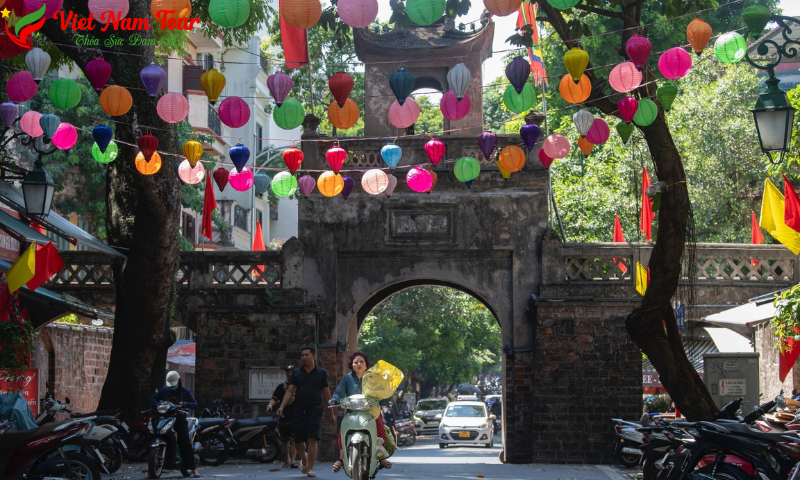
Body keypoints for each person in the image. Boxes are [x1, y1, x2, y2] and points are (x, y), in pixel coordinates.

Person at [329, 351, 392, 473]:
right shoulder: (347, 378)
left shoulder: (373, 377)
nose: (358, 364)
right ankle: (341, 458)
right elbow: (339, 392)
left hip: (371, 412)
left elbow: (382, 391)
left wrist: (384, 402)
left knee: (379, 425)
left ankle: (381, 456)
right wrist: (334, 400)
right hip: (352, 412)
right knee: (342, 431)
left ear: (366, 364)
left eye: (361, 362)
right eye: (355, 362)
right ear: (351, 365)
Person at [276, 346, 331, 478]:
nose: (304, 357)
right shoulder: (297, 373)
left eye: (307, 355)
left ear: (314, 356)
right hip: (299, 409)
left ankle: (310, 468)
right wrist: (282, 406)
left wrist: (331, 412)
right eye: (302, 355)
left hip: (315, 409)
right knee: (298, 440)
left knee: (312, 438)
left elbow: (326, 392)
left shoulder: (321, 373)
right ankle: (304, 457)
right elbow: (290, 391)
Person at [149, 371, 200, 478]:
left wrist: (183, 404)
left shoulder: (184, 391)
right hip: (165, 419)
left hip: (179, 420)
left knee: (184, 442)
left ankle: (193, 468)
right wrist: (159, 404)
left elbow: (195, 404)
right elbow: (152, 399)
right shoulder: (164, 390)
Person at [266, 366, 298, 469]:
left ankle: (293, 460)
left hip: (296, 415)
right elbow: (274, 398)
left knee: (295, 439)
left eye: (292, 372)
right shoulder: (281, 387)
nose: (290, 374)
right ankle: (287, 459)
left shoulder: (299, 386)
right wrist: (270, 405)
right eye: (288, 372)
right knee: (286, 439)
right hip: (284, 415)